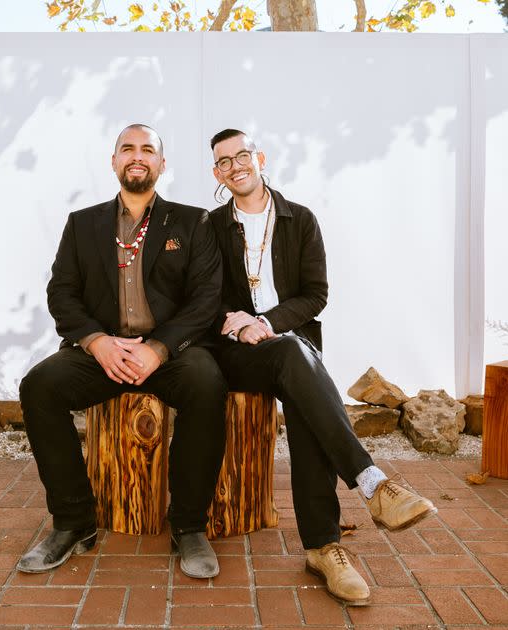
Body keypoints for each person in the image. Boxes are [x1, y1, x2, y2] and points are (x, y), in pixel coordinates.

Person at [208, 128, 437, 606]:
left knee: (299, 374)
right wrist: (238, 326)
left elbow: (316, 295)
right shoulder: (210, 226)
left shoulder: (299, 220)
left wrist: (267, 322)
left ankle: (324, 549)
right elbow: (202, 297)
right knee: (300, 365)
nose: (235, 166)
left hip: (288, 343)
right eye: (223, 161)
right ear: (217, 173)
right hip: (235, 352)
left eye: (241, 155)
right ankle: (370, 488)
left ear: (260, 158)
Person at [18, 124, 226, 579]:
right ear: (114, 162)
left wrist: (159, 347)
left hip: (171, 352)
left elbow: (206, 298)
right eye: (127, 149)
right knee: (38, 387)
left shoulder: (193, 222)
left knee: (207, 383)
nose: (137, 156)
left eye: (147, 149)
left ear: (161, 164)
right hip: (105, 349)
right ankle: (73, 523)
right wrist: (96, 342)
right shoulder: (83, 223)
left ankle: (189, 524)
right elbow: (62, 293)